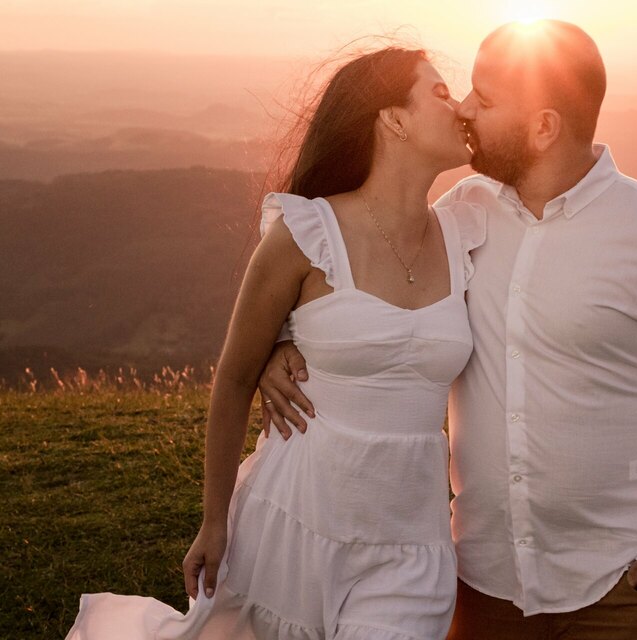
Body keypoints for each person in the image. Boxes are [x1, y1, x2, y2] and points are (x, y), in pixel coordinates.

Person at [260, 21, 637, 640]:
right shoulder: (462, 217)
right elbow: (353, 253)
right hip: (482, 581)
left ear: (543, 127)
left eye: (484, 101)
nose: (463, 108)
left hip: (626, 587)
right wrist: (284, 333)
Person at [66, 46, 484, 640]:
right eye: (440, 93)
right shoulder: (308, 233)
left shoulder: (469, 231)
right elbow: (235, 376)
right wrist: (214, 522)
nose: (461, 106)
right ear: (393, 119)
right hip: (296, 522)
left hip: (411, 541)